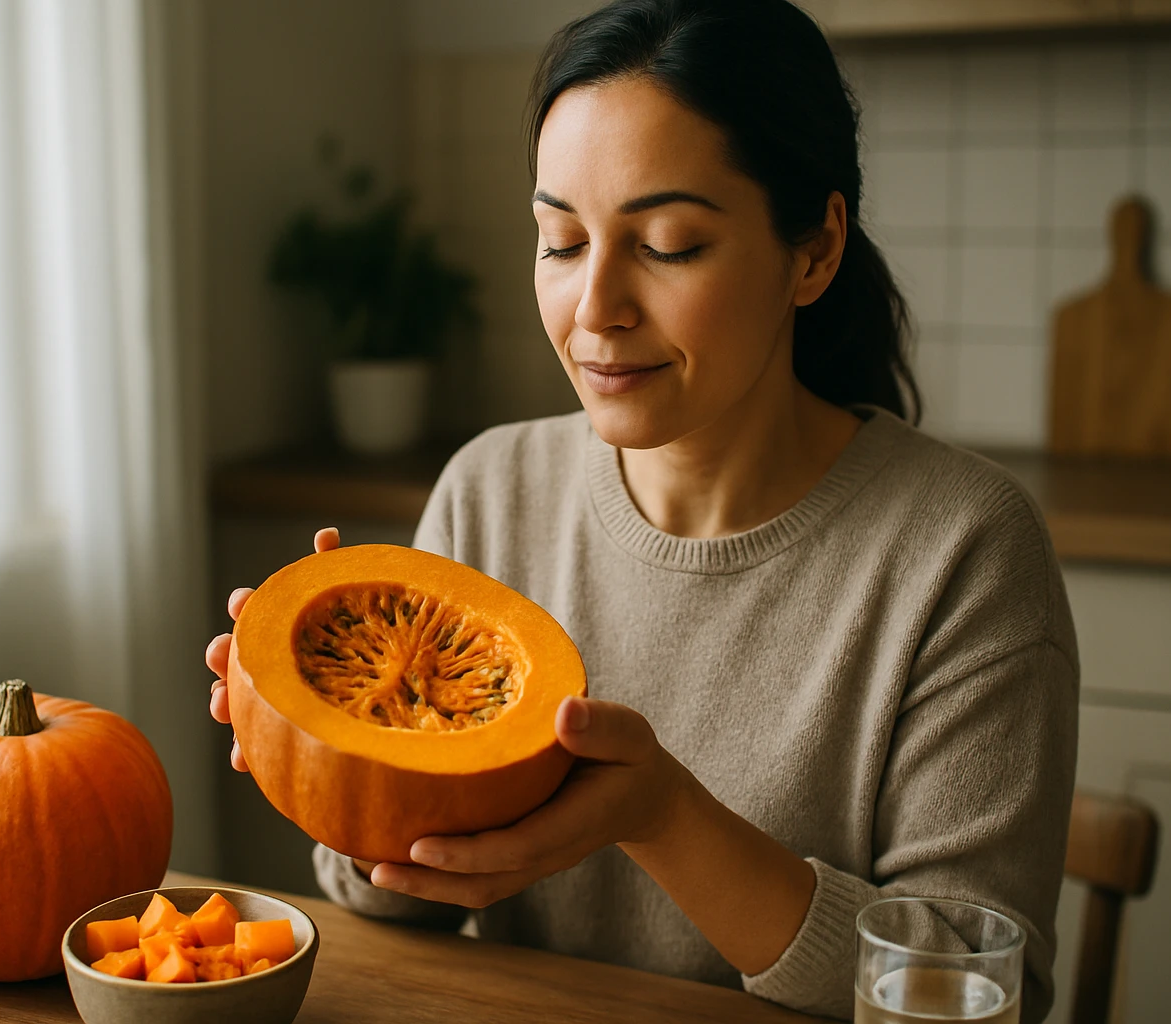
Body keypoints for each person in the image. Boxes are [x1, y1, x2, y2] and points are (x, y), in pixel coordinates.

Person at [205, 1, 1078, 1019]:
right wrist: (329, 753)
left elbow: (965, 986)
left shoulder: (964, 549)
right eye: (561, 240)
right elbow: (399, 909)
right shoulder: (489, 491)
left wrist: (662, 814)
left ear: (815, 251)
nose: (595, 307)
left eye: (667, 244)